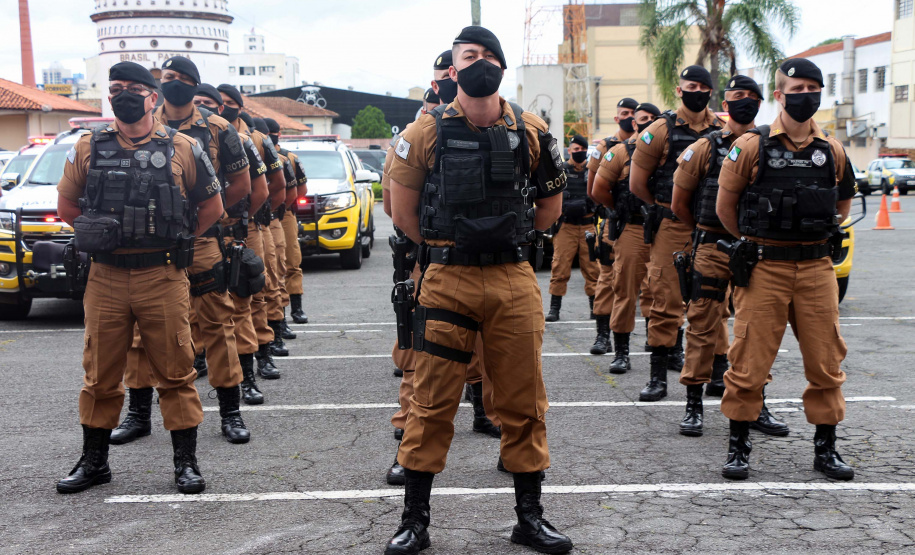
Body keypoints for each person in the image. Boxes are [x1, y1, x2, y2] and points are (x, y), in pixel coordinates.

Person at [385, 26, 572, 554]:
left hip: (513, 278)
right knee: (431, 399)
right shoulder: (423, 133)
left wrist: (508, 242)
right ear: (454, 69)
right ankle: (415, 522)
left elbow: (550, 208)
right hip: (447, 279)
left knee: (524, 400)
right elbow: (402, 213)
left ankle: (529, 518)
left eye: (489, 55)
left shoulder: (532, 131)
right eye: (470, 56)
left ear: (501, 67)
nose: (480, 63)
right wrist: (448, 248)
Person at [55, 62, 223, 494]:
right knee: (100, 374)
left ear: (153, 96)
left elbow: (212, 208)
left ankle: (185, 463)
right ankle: (94, 463)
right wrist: (101, 235)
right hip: (106, 276)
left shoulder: (183, 146)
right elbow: (67, 206)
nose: (123, 94)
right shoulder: (89, 146)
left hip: (162, 274)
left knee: (176, 372)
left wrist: (177, 239)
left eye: (133, 88)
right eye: (115, 88)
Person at [715, 58, 857, 481]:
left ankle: (825, 449)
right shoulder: (753, 146)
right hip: (765, 268)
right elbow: (725, 206)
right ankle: (739, 445)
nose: (805, 95)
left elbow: (842, 205)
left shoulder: (832, 150)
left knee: (826, 361)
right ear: (779, 95)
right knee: (748, 362)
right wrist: (757, 241)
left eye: (813, 87)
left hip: (816, 268)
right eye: (796, 88)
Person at [382, 63, 501, 490]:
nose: (453, 79)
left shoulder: (499, 125)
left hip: (489, 260)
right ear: (436, 83)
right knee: (424, 352)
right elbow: (393, 207)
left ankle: (488, 416)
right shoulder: (417, 133)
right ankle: (406, 438)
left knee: (489, 350)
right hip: (431, 257)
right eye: (445, 74)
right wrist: (433, 245)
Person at [671, 74, 789, 438]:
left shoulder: (771, 146)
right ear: (725, 104)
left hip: (756, 253)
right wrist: (709, 230)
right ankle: (694, 405)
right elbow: (680, 202)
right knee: (703, 324)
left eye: (752, 96)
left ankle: (756, 404)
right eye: (737, 96)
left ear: (761, 102)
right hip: (711, 247)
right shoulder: (706, 148)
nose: (745, 101)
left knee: (755, 333)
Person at [629, 66, 724, 401]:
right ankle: (658, 378)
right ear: (679, 89)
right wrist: (663, 205)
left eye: (702, 86)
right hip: (672, 224)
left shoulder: (722, 130)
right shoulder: (660, 129)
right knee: (665, 299)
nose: (696, 91)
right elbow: (638, 184)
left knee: (714, 300)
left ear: (710, 92)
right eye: (690, 85)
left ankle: (717, 374)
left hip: (711, 226)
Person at [194, 83, 272, 405]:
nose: (204, 107)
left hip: (230, 234)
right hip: (193, 239)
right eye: (199, 102)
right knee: (186, 313)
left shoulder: (238, 141)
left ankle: (248, 379)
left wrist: (231, 220)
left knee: (239, 309)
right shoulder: (168, 141)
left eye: (211, 104)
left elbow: (264, 189)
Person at [217, 85, 287, 380]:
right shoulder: (183, 137)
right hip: (202, 233)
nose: (222, 107)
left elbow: (276, 185)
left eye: (230, 102)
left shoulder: (253, 140)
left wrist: (244, 216)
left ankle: (263, 353)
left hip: (246, 226)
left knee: (255, 289)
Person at [591, 103, 660, 370]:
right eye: (643, 119)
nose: (648, 123)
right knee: (623, 289)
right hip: (631, 227)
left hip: (661, 228)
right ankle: (621, 352)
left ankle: (667, 349)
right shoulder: (619, 151)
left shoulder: (666, 152)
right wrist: (619, 210)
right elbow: (597, 190)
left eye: (654, 119)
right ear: (633, 123)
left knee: (663, 291)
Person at [586, 98, 638, 354]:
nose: (629, 117)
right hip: (612, 223)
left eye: (633, 113)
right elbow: (593, 189)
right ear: (617, 118)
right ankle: (602, 335)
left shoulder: (648, 146)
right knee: (607, 278)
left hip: (643, 226)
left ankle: (659, 340)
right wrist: (617, 209)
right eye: (624, 113)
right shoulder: (606, 146)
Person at [545, 134, 600, 323]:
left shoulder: (593, 170)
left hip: (587, 226)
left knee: (593, 269)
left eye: (582, 149)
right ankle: (554, 309)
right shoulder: (561, 170)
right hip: (566, 226)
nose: (579, 152)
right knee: (560, 268)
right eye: (575, 149)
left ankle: (595, 308)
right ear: (569, 151)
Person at [265, 117, 309, 327]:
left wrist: (280, 207)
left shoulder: (289, 158)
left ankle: (297, 307)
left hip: (284, 214)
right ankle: (277, 314)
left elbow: (301, 190)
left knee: (292, 260)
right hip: (262, 216)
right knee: (273, 266)